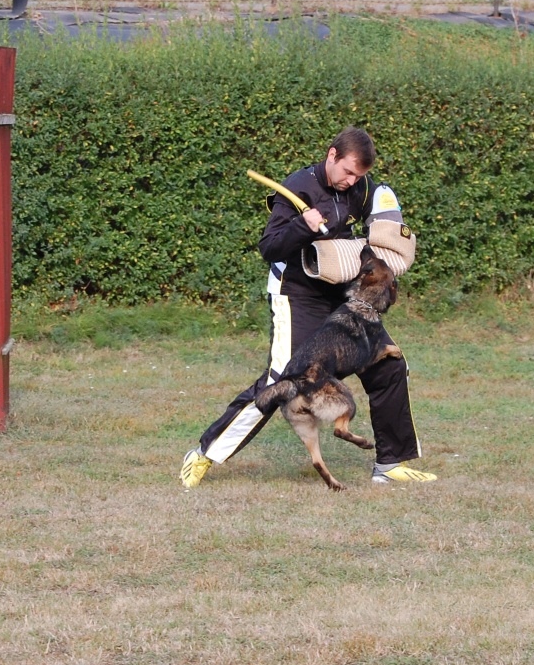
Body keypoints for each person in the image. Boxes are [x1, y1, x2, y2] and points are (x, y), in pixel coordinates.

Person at [181, 127, 437, 488]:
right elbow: (270, 247)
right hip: (296, 293)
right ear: (332, 155)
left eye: (359, 176)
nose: (352, 182)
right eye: (348, 172)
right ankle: (205, 454)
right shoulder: (299, 187)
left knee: (390, 365)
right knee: (280, 379)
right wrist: (303, 225)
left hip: (342, 295)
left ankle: (390, 463)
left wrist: (389, 233)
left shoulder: (361, 188)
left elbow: (374, 229)